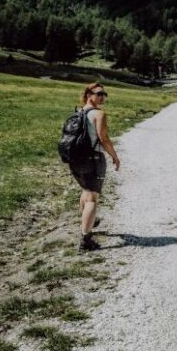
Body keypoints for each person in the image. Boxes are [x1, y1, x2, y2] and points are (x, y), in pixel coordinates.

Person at [71, 82, 120, 251]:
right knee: (92, 197)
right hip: (93, 159)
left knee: (86, 191)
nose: (102, 96)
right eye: (99, 93)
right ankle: (86, 239)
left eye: (104, 93)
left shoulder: (78, 112)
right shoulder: (99, 114)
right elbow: (104, 139)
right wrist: (115, 156)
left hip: (75, 159)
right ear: (88, 94)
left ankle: (87, 220)